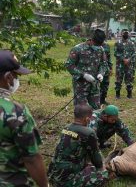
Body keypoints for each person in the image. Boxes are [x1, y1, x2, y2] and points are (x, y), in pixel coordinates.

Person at [0, 50, 48, 187]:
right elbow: (32, 158)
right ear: (8, 77)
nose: (17, 80)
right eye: (16, 75)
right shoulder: (16, 112)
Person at [48, 104, 109, 187]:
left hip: (52, 174)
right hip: (65, 181)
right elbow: (96, 159)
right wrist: (102, 168)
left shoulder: (66, 128)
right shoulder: (88, 132)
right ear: (87, 119)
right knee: (103, 175)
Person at [65, 29, 109, 109]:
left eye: (100, 45)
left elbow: (104, 63)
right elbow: (69, 65)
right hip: (81, 86)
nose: (98, 47)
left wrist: (101, 73)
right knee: (81, 110)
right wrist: (84, 75)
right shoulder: (78, 49)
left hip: (95, 85)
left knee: (96, 110)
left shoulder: (101, 49)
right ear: (91, 39)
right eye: (96, 44)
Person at [114, 29, 136, 99]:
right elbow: (115, 52)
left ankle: (129, 94)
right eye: (124, 33)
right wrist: (123, 59)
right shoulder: (118, 43)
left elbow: (134, 53)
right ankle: (117, 94)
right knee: (118, 80)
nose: (125, 35)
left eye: (126, 33)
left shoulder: (131, 43)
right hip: (120, 65)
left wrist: (129, 59)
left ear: (128, 35)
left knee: (129, 79)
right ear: (121, 34)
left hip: (129, 65)